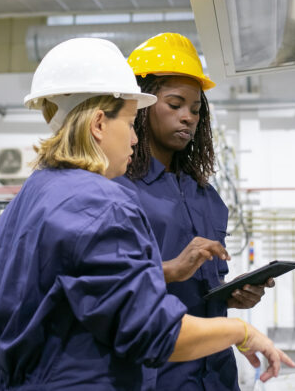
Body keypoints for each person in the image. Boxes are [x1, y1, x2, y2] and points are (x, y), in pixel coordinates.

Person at [0, 38, 293, 390]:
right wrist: (241, 331)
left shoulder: (32, 194)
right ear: (99, 124)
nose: (134, 138)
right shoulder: (99, 201)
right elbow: (152, 331)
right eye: (131, 123)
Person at [118, 33, 276, 391]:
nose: (187, 117)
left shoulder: (206, 196)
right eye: (175, 104)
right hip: (157, 374)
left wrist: (234, 294)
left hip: (216, 374)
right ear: (140, 107)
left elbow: (208, 287)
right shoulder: (118, 190)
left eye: (195, 109)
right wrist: (171, 270)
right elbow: (111, 287)